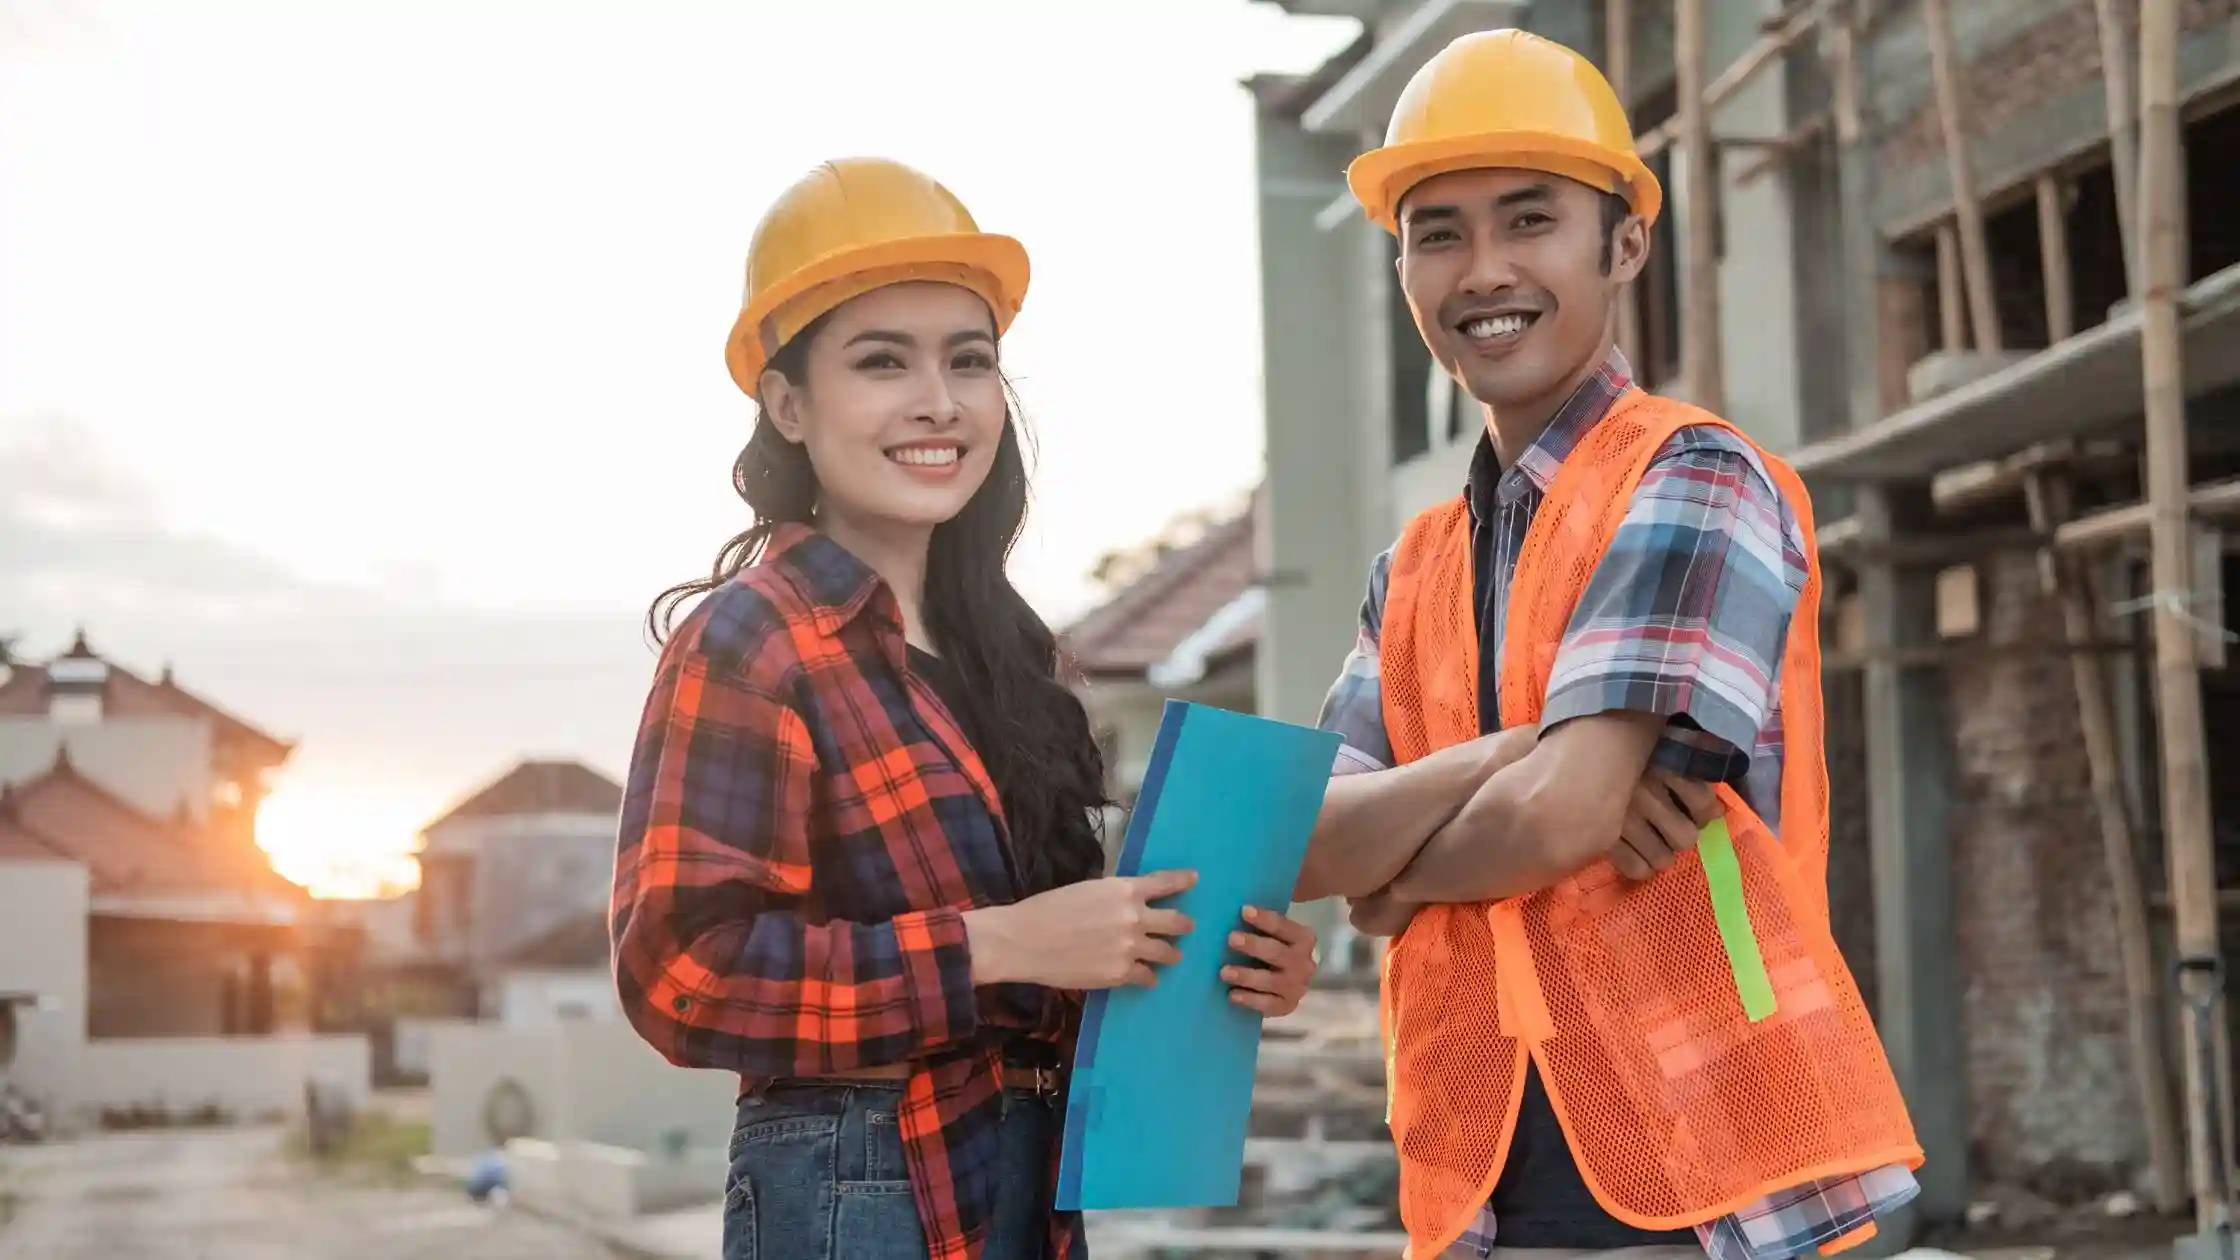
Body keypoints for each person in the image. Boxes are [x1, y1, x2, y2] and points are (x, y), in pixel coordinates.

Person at [609, 156, 1323, 1260]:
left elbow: (1049, 964)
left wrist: (1211, 968)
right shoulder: (752, 642)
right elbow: (681, 977)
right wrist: (992, 945)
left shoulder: (1013, 657)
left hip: (1025, 1178)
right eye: (880, 361)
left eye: (968, 360)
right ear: (789, 404)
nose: (936, 401)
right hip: (861, 1184)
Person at [1289, 30, 1925, 1260]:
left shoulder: (1689, 476)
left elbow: (1561, 819)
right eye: (1438, 233)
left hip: (1705, 1167)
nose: (1483, 270)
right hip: (1479, 1179)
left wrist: (1401, 873)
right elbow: (1310, 840)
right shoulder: (1410, 569)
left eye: (1528, 221)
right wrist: (1528, 747)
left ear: (1622, 243)